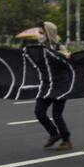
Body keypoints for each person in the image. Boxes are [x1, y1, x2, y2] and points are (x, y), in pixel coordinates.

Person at [34, 22, 73, 151]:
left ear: (48, 33)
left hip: (60, 85)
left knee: (57, 114)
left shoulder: (59, 47)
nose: (38, 35)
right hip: (46, 85)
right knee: (39, 112)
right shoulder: (39, 48)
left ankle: (66, 140)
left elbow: (68, 62)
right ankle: (54, 134)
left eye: (41, 33)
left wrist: (66, 56)